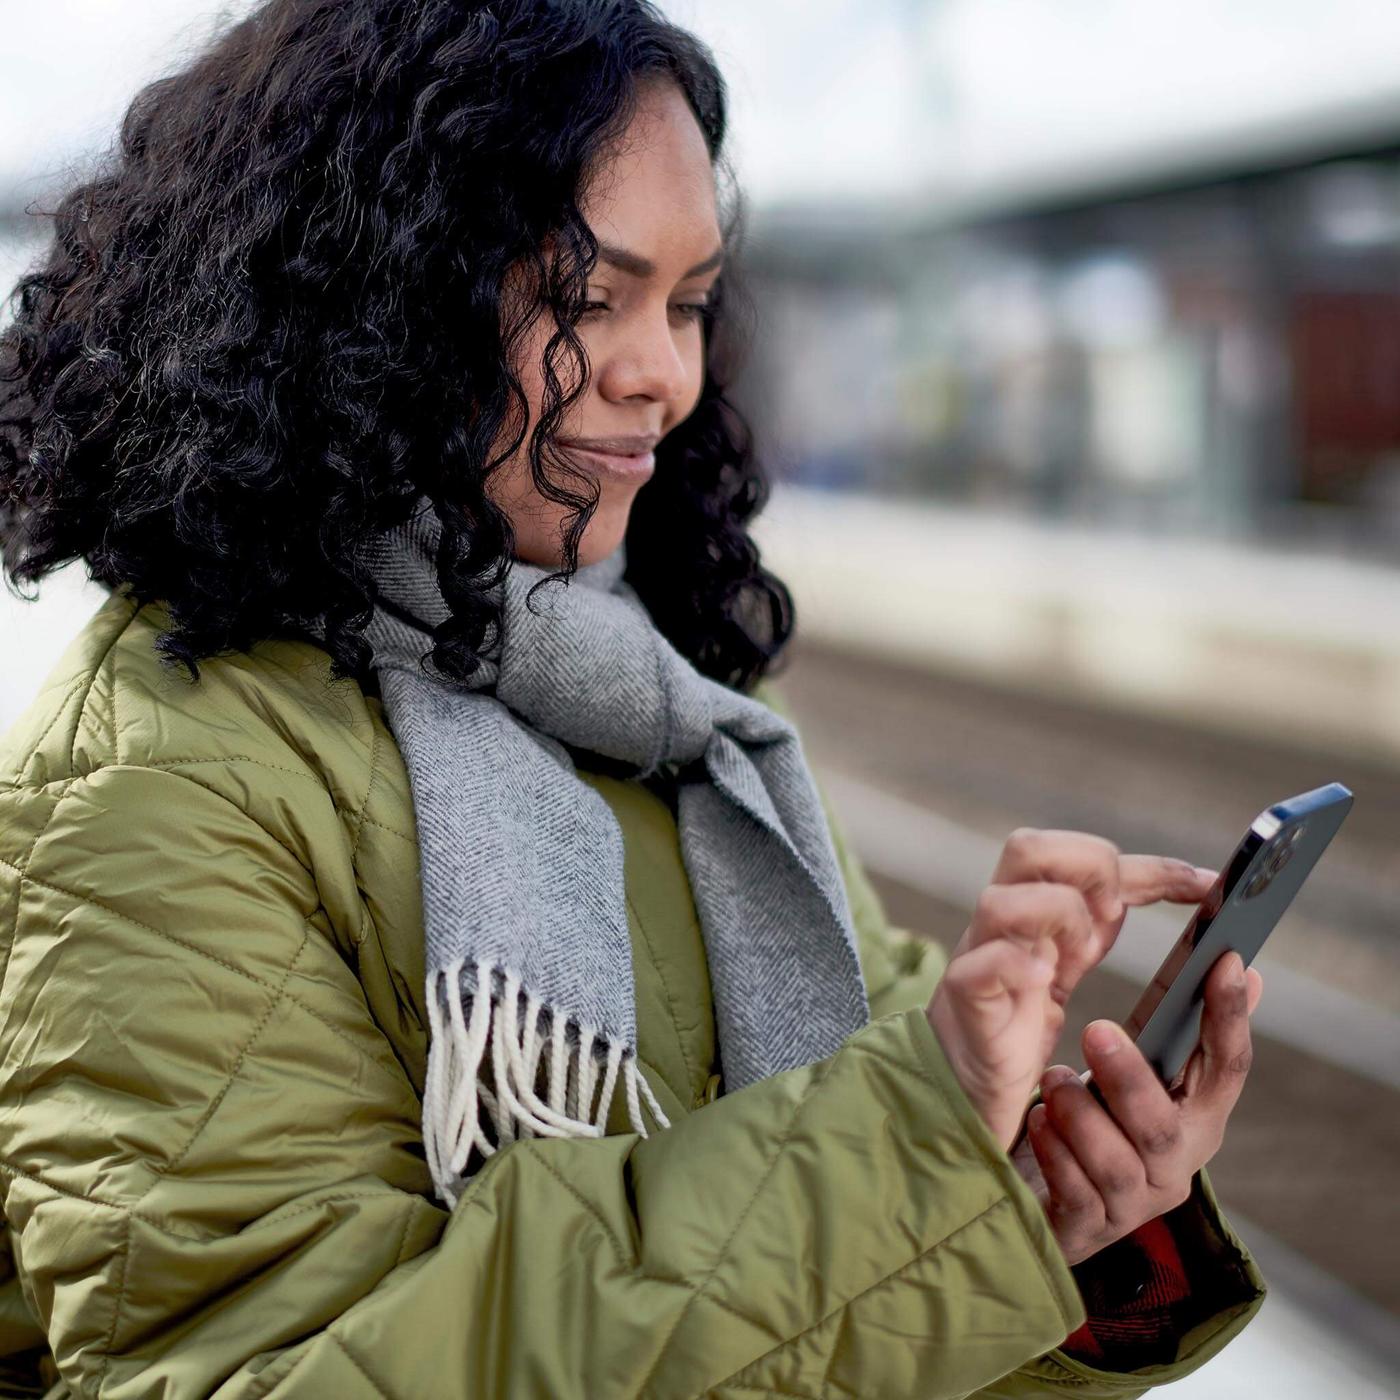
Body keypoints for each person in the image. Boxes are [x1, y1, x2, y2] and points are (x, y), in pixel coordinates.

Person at [0, 1, 1265, 1395]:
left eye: (690, 301)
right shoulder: (158, 780)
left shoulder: (686, 725)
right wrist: (919, 1159)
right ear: (368, 300)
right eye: (584, 299)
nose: (661, 371)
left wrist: (1040, 1208)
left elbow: (839, 1329)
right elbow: (260, 1369)